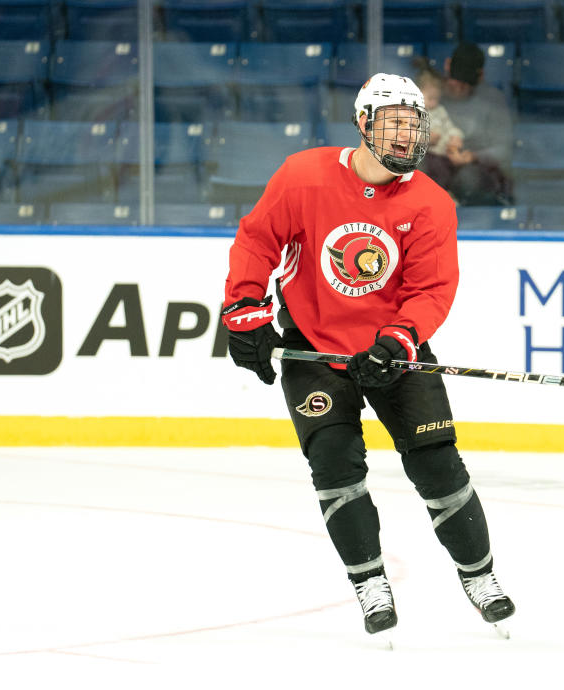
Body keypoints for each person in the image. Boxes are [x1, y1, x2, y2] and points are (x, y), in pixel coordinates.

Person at [219, 73, 516, 637]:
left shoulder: (431, 203)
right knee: (335, 468)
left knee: (437, 465)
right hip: (314, 348)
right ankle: (369, 583)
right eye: (394, 125)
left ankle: (480, 577)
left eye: (415, 126)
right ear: (362, 124)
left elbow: (431, 290)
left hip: (393, 352)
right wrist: (244, 311)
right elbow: (258, 239)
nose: (406, 139)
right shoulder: (302, 176)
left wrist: (397, 340)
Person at [432, 42, 515, 206]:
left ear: (480, 76)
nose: (458, 88)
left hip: (476, 170)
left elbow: (504, 150)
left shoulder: (492, 99)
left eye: (465, 84)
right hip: (436, 160)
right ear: (447, 65)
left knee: (469, 179)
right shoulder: (432, 95)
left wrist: (473, 157)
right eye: (455, 81)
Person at [415, 66, 469, 194]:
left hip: (444, 152)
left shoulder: (440, 110)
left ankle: (447, 194)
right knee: (437, 171)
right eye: (430, 99)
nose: (434, 103)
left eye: (436, 99)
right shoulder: (414, 113)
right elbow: (410, 137)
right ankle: (436, 195)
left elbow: (449, 126)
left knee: (458, 170)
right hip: (426, 155)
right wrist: (426, 138)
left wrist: (456, 136)